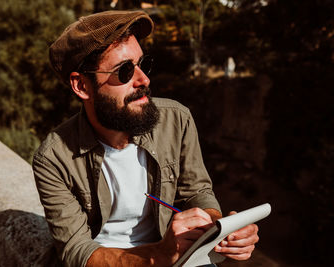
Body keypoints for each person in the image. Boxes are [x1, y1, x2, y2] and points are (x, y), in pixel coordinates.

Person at [32, 10, 259, 267]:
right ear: (82, 86)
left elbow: (197, 192)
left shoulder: (176, 120)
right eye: (124, 71)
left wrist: (218, 230)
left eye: (142, 64)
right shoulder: (53, 158)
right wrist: (158, 255)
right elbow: (78, 253)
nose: (144, 79)